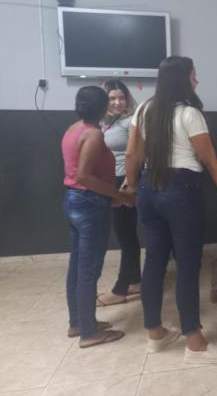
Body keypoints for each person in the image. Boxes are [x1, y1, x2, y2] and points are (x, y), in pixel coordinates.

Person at [125, 56, 217, 364]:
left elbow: (132, 155)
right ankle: (194, 343)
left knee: (154, 262)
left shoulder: (143, 109)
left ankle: (155, 333)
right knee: (188, 266)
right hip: (181, 191)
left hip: (148, 188)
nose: (196, 81)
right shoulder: (189, 113)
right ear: (183, 79)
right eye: (194, 76)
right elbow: (209, 161)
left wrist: (131, 188)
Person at [62, 86, 133, 348]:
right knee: (88, 270)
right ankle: (89, 333)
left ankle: (78, 322)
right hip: (89, 203)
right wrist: (118, 195)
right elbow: (84, 176)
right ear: (103, 107)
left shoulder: (73, 129)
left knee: (77, 266)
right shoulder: (93, 134)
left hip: (74, 201)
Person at [96, 80, 141, 307]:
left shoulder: (130, 121)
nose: (117, 102)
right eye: (112, 98)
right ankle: (135, 281)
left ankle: (121, 289)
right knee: (125, 234)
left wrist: (128, 184)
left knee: (126, 236)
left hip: (124, 182)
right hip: (110, 182)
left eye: (121, 97)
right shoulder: (104, 123)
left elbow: (139, 155)